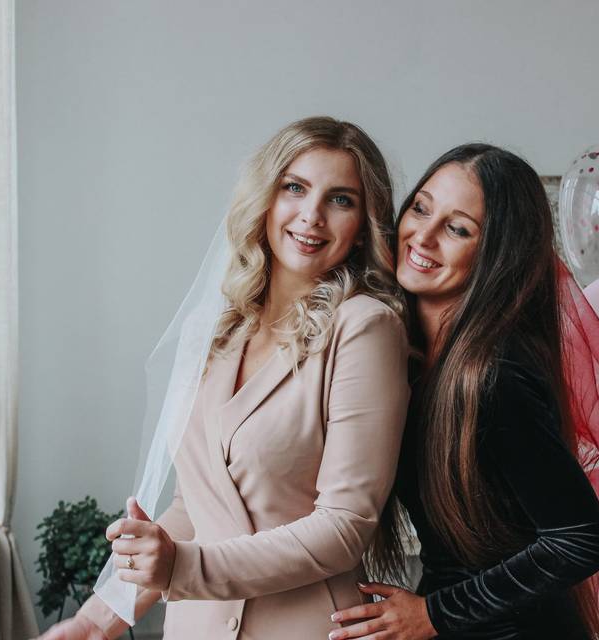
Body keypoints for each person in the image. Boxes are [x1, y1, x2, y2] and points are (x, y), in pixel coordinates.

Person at [38, 117, 411, 639]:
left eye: (341, 200)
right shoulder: (210, 331)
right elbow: (196, 506)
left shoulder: (366, 328)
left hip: (310, 629)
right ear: (266, 196)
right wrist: (94, 622)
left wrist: (182, 569)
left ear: (363, 224)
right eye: (295, 188)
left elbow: (345, 525)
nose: (312, 216)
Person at [330, 144, 599, 640]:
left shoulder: (495, 374)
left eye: (457, 228)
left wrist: (434, 614)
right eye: (421, 207)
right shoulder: (408, 359)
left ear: (497, 255)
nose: (422, 236)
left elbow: (581, 540)